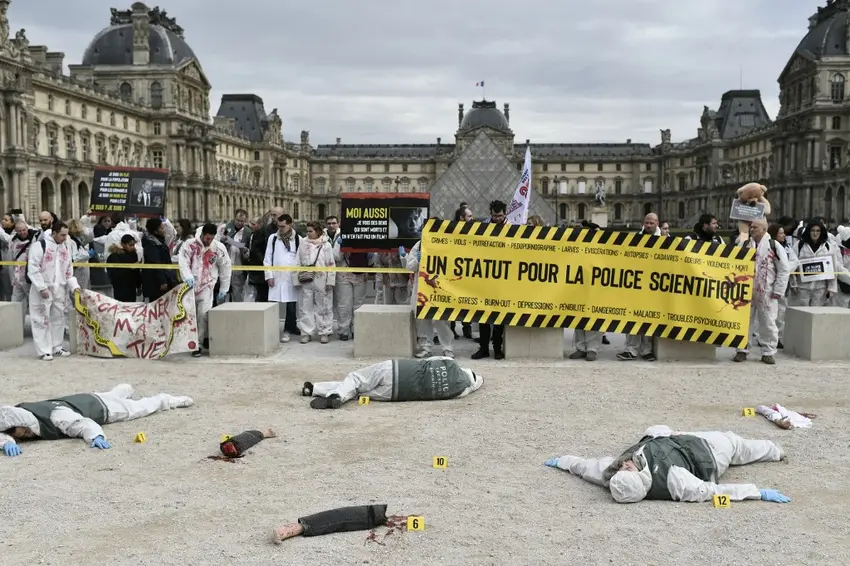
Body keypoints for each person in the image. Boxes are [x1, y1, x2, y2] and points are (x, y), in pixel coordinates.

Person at [544, 424, 790, 504]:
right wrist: (758, 492)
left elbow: (585, 467)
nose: (623, 465)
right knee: (737, 445)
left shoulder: (613, 476)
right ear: (637, 477)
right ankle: (775, 451)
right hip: (709, 453)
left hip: (671, 441)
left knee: (656, 428)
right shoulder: (675, 483)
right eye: (627, 468)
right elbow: (714, 491)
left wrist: (562, 461)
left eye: (623, 468)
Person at [0, 383, 193, 457]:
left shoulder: (56, 417)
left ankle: (168, 399)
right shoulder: (20, 412)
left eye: (24, 433)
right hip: (86, 397)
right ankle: (125, 389)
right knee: (117, 393)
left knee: (140, 408)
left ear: (25, 424)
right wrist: (6, 442)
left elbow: (84, 425)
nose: (27, 437)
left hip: (103, 409)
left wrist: (96, 437)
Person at [302, 356, 483, 409]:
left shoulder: (449, 362)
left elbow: (428, 360)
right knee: (357, 390)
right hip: (397, 394)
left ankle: (336, 395)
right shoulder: (460, 392)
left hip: (396, 370)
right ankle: (316, 389)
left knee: (356, 379)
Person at [733, 218, 790, 365]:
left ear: (764, 229)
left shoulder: (774, 246)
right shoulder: (744, 244)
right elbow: (734, 264)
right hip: (745, 290)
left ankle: (768, 351)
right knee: (744, 321)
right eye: (751, 227)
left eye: (755, 227)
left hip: (767, 291)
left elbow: (784, 269)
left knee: (768, 322)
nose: (752, 229)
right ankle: (741, 349)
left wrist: (778, 290)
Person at [27, 221, 79, 361]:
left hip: (59, 288)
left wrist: (75, 286)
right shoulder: (39, 246)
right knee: (41, 319)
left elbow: (68, 270)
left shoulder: (65, 247)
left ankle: (57, 347)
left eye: (66, 235)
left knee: (59, 318)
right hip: (43, 288)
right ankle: (44, 350)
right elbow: (33, 268)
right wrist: (41, 287)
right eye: (62, 235)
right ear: (54, 233)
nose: (65, 237)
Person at [178, 223, 232, 357]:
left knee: (203, 314)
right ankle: (188, 341)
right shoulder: (190, 244)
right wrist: (187, 277)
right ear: (202, 234)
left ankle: (198, 344)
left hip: (207, 285)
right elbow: (183, 262)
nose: (208, 241)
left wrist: (224, 288)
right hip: (189, 285)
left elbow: (225, 267)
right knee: (189, 316)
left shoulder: (218, 248)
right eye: (207, 238)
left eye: (211, 239)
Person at [405, 240, 454, 358]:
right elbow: (409, 266)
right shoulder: (419, 244)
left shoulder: (446, 242)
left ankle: (448, 348)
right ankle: (426, 347)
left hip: (440, 288)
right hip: (423, 288)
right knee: (423, 319)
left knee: (441, 320)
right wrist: (418, 259)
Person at [295, 220, 336, 344]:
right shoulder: (303, 243)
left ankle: (324, 331)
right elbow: (298, 261)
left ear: (317, 231)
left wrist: (330, 280)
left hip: (322, 279)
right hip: (306, 278)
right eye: (307, 231)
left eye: (310, 231)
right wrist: (296, 279)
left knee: (324, 305)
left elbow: (331, 263)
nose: (308, 233)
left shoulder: (326, 245)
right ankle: (306, 332)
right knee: (305, 306)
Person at [264, 214, 301, 343]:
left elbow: (300, 258)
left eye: (283, 226)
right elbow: (267, 258)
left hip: (291, 277)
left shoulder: (297, 239)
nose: (280, 229)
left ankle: (288, 329)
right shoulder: (273, 238)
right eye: (279, 226)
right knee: (274, 304)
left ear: (290, 224)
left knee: (291, 305)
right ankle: (271, 328)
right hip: (277, 276)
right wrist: (269, 275)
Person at [140, 217, 178, 302]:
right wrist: (163, 281)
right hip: (155, 282)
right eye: (161, 228)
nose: (164, 229)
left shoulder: (159, 241)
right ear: (155, 231)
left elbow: (172, 233)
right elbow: (156, 263)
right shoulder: (151, 244)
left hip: (164, 277)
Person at [106, 234, 143, 302]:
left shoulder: (133, 254)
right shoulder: (114, 256)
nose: (132, 247)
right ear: (123, 244)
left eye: (133, 245)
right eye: (130, 245)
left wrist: (138, 285)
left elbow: (136, 272)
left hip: (131, 287)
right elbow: (114, 274)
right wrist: (130, 268)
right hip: (120, 288)